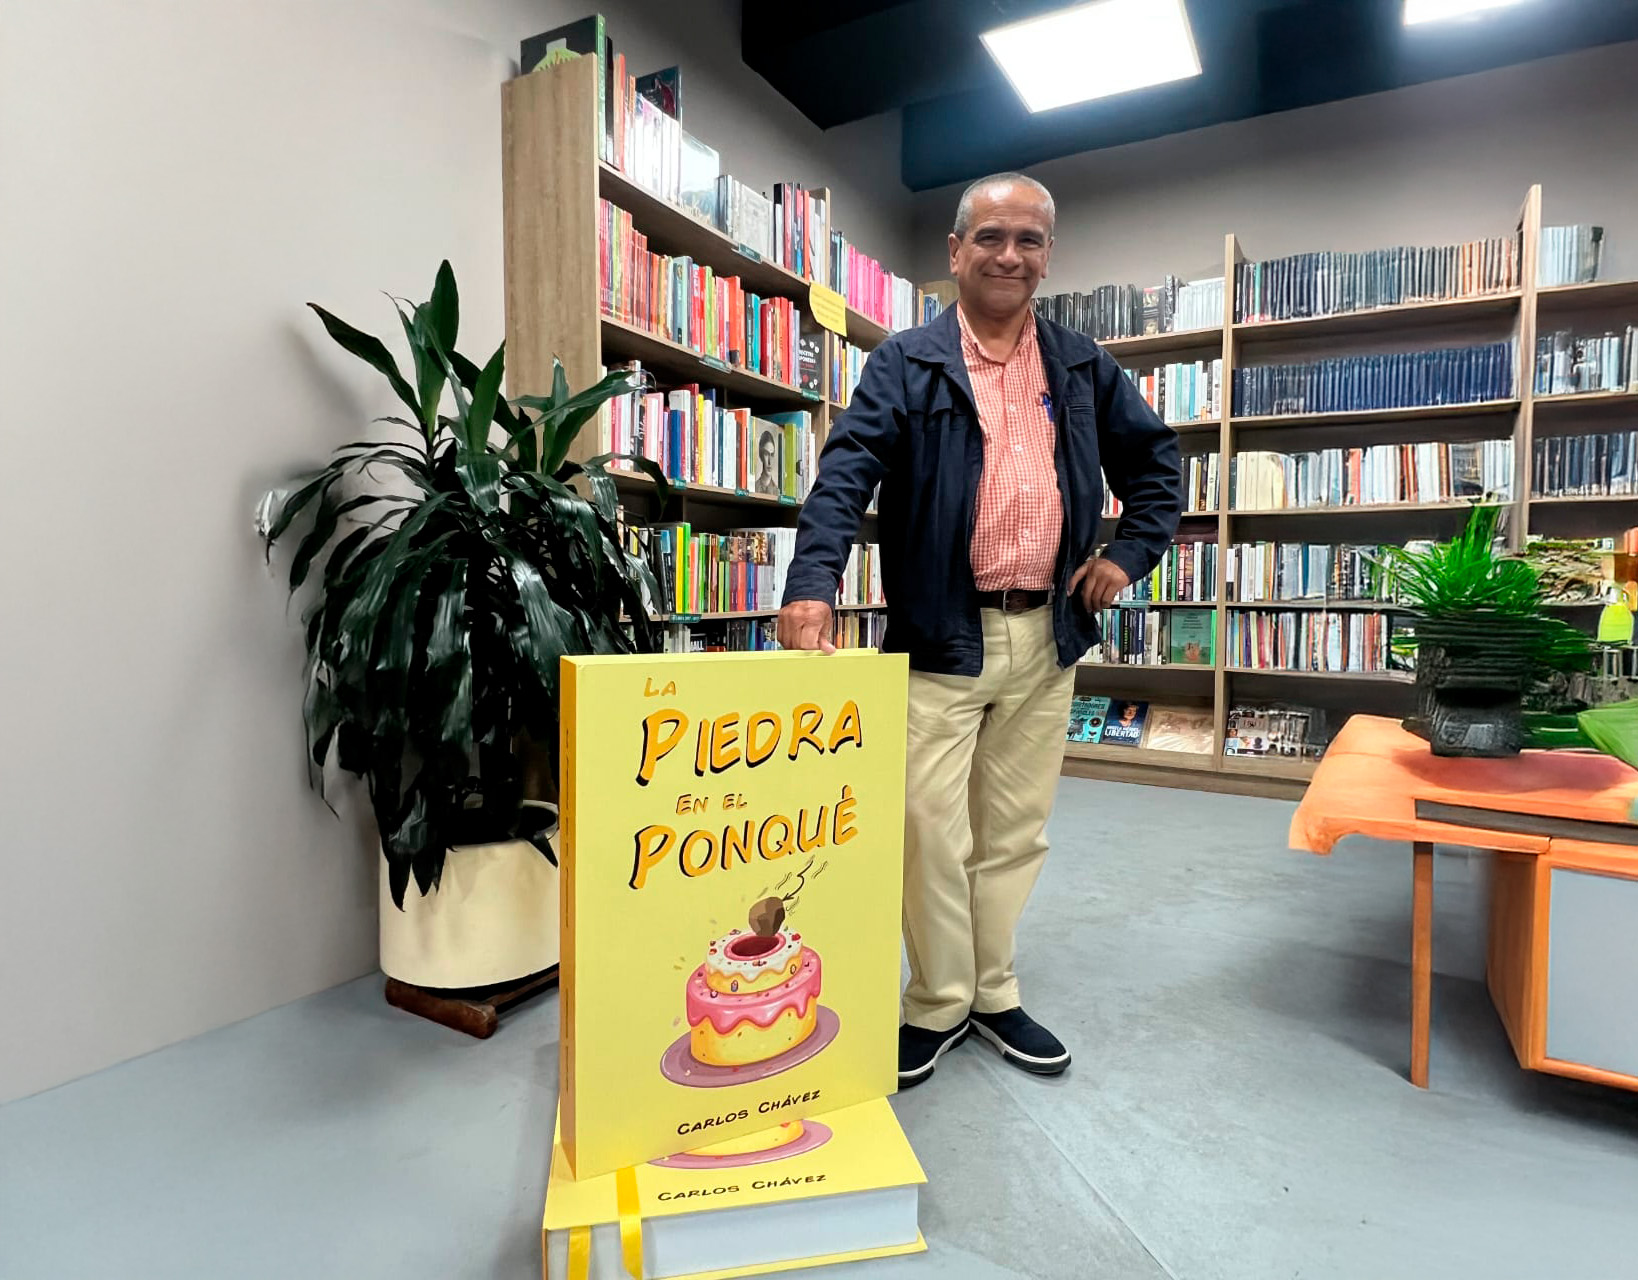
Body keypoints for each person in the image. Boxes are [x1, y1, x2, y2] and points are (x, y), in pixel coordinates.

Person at [777, 172, 1182, 1088]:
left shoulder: (1081, 364)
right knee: (926, 828)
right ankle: (937, 1001)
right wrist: (812, 582)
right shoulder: (906, 362)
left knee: (1014, 831)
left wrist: (1127, 557)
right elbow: (845, 475)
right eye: (991, 237)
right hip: (940, 636)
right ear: (954, 252)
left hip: (1048, 638)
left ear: (1049, 256)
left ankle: (991, 992)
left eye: (1029, 240)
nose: (1011, 255)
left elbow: (1158, 466)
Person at [755, 430, 781, 496]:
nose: (769, 462)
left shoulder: (777, 491)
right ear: (761, 456)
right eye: (766, 454)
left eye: (772, 455)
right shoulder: (753, 487)